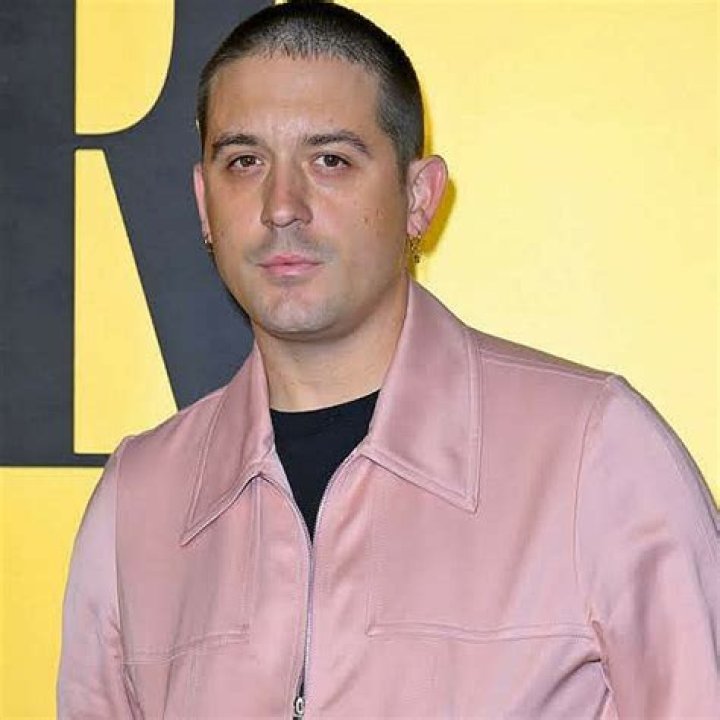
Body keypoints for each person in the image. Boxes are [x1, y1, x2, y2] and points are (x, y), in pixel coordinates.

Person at [58, 1, 719, 717]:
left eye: (331, 160)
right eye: (245, 162)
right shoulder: (139, 500)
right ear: (203, 201)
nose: (282, 205)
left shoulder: (594, 454)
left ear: (418, 196)